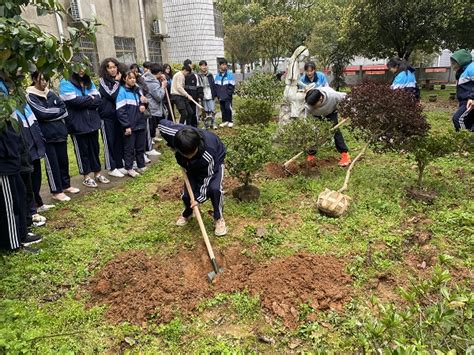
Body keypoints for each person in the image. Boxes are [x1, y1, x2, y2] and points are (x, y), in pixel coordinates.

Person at [158, 120, 227, 236]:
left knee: (214, 189)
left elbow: (207, 179)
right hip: (190, 165)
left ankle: (219, 218)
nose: (189, 156)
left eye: (191, 153)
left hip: (214, 164)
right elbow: (161, 124)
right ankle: (188, 213)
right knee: (187, 195)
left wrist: (198, 199)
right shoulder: (175, 134)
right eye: (186, 154)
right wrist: (172, 145)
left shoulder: (209, 152)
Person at [0, 79, 42, 249]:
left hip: (13, 154)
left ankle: (22, 233)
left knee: (19, 196)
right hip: (4, 159)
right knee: (9, 204)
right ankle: (14, 243)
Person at [27, 72, 79, 203]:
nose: (44, 83)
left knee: (63, 161)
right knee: (53, 164)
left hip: (60, 133)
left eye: (46, 80)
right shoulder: (30, 95)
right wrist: (56, 112)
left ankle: (66, 185)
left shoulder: (51, 93)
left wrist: (53, 112)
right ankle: (56, 191)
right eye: (41, 80)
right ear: (34, 79)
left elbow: (64, 109)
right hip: (46, 136)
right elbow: (41, 113)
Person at [60, 69, 110, 188]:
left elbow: (98, 100)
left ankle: (97, 173)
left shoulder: (88, 82)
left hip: (92, 122)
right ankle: (86, 176)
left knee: (95, 149)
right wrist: (90, 98)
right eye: (79, 68)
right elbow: (73, 101)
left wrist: (87, 100)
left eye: (84, 68)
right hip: (77, 124)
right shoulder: (65, 82)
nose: (82, 71)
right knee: (82, 152)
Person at [304, 87, 351, 167]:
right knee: (313, 134)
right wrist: (314, 129)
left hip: (331, 113)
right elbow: (308, 120)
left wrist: (349, 111)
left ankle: (344, 155)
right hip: (315, 117)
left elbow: (347, 98)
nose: (313, 107)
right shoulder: (309, 105)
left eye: (315, 105)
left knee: (335, 131)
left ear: (321, 98)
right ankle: (311, 156)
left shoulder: (332, 95)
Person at [116, 70, 148, 178]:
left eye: (134, 78)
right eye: (130, 78)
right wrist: (126, 126)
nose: (133, 80)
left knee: (140, 146)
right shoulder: (122, 92)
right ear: (125, 79)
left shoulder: (138, 90)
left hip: (140, 122)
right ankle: (129, 168)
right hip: (130, 125)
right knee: (129, 148)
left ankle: (141, 165)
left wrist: (144, 104)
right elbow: (120, 111)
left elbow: (143, 102)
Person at [98, 58, 126, 178]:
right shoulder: (103, 81)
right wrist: (117, 82)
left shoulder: (118, 81)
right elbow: (111, 94)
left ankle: (119, 164)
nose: (113, 69)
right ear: (105, 69)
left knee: (119, 141)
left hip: (118, 115)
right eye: (110, 67)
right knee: (109, 141)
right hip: (106, 116)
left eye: (115, 67)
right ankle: (111, 167)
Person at [450, 49, 474, 131]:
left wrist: (472, 98)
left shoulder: (472, 68)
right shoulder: (462, 71)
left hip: (470, 101)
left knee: (457, 118)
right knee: (468, 123)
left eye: (455, 62)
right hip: (464, 101)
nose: (453, 65)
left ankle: (463, 140)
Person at [143, 63, 167, 141]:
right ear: (159, 73)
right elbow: (159, 97)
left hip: (151, 107)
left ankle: (152, 139)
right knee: (151, 127)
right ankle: (150, 143)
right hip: (152, 108)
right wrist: (163, 86)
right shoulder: (152, 83)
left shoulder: (147, 78)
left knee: (153, 126)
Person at [215, 58, 235, 128]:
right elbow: (216, 86)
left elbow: (232, 86)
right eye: (223, 65)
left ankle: (230, 121)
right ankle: (224, 121)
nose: (224, 66)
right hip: (220, 96)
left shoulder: (229, 75)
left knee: (228, 108)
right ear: (220, 66)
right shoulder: (217, 75)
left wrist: (228, 94)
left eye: (225, 65)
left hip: (227, 96)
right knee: (222, 109)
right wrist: (217, 95)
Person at [183, 59, 203, 127]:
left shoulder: (195, 76)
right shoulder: (183, 75)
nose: (189, 66)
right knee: (187, 113)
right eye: (187, 65)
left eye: (190, 65)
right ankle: (188, 127)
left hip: (194, 99)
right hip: (185, 98)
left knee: (194, 113)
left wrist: (200, 96)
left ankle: (194, 126)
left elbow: (199, 86)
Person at [198, 60, 217, 129]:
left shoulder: (210, 75)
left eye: (205, 65)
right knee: (205, 111)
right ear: (200, 67)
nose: (204, 67)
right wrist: (199, 96)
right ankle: (206, 125)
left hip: (210, 94)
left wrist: (215, 95)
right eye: (202, 65)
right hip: (203, 95)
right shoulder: (198, 76)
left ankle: (213, 124)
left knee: (212, 110)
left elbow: (213, 85)